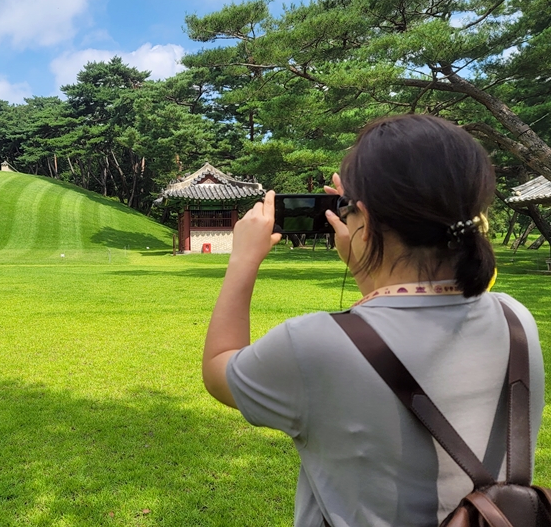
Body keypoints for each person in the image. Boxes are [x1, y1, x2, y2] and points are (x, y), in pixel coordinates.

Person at [202, 114, 544, 526]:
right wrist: (370, 240)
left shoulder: (315, 343)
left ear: (363, 219)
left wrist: (242, 259)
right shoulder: (515, 320)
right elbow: (404, 314)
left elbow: (221, 367)